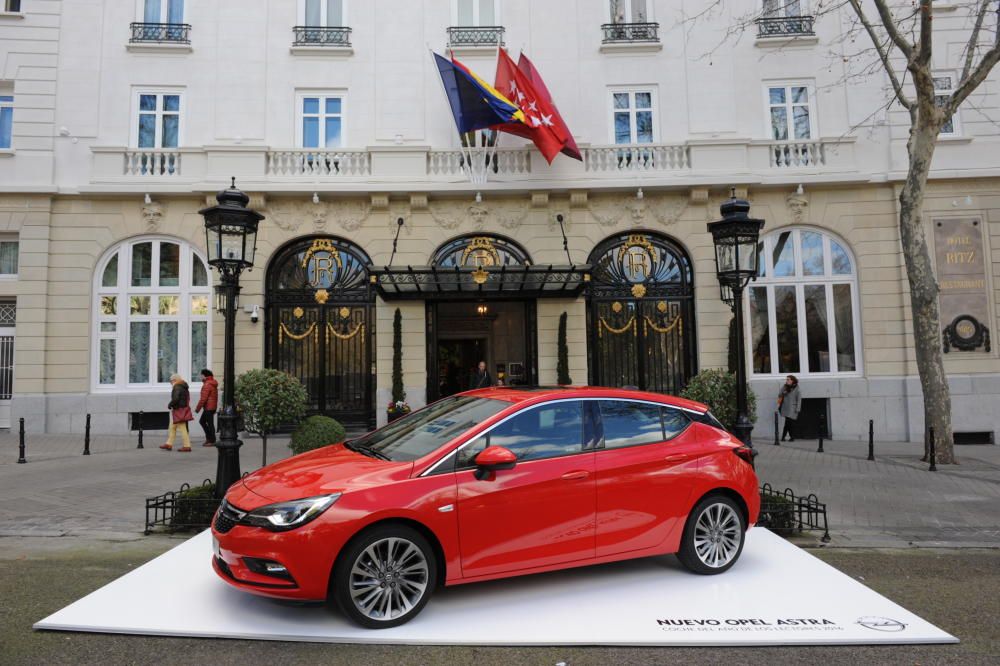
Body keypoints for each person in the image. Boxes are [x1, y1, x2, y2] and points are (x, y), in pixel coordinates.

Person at [160, 374, 193, 452]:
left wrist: (170, 404)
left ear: (174, 380)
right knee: (172, 427)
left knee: (182, 428)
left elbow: (176, 398)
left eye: (170, 381)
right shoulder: (183, 386)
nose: (170, 383)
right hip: (181, 408)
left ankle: (187, 446)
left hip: (179, 410)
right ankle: (169, 444)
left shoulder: (177, 387)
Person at [195, 368, 218, 447]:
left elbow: (203, 399)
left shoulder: (207, 384)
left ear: (204, 375)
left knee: (208, 423)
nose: (200, 377)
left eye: (201, 375)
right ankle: (210, 438)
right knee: (204, 422)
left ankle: (212, 440)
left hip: (208, 407)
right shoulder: (212, 383)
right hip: (212, 407)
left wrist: (198, 408)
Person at [777, 375, 801, 442]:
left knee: (788, 423)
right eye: (786, 379)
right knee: (788, 423)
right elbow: (779, 395)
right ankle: (791, 437)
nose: (787, 381)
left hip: (793, 408)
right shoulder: (784, 387)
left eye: (788, 379)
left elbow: (799, 399)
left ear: (792, 380)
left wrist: (798, 409)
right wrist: (783, 393)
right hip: (785, 407)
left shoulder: (797, 388)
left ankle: (785, 437)